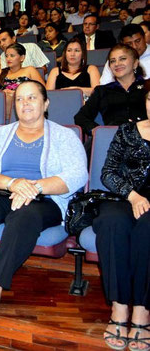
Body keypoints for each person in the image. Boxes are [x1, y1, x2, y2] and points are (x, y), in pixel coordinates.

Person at [0, 80, 87, 321]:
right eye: (19, 99)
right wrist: (13, 183)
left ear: (46, 103)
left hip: (46, 199)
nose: (25, 103)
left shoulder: (64, 136)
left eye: (32, 98)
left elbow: (77, 175)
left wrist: (34, 188)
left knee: (25, 215)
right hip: (4, 192)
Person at [96, 94, 150, 350]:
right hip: (123, 197)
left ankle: (142, 309)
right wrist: (133, 195)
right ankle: (118, 307)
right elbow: (107, 172)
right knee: (111, 224)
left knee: (148, 230)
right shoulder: (127, 131)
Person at [75, 44, 147, 138]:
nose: (117, 64)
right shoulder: (102, 91)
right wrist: (99, 132)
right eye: (113, 61)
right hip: (113, 141)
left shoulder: (147, 87)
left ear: (135, 63)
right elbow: (80, 117)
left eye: (122, 59)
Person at [0, 43, 45, 121]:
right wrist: (2, 94)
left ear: (22, 58)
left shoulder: (30, 70)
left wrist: (17, 94)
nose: (8, 59)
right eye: (6, 56)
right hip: (2, 104)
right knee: (7, 97)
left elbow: (42, 90)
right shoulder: (1, 72)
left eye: (12, 56)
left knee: (10, 97)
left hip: (25, 103)